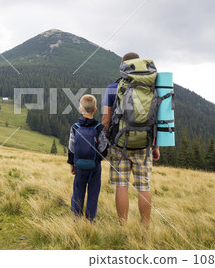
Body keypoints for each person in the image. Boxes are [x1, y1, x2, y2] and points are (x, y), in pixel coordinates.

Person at [102, 52, 160, 226]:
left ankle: (123, 227)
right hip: (145, 144)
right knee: (144, 186)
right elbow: (157, 119)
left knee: (122, 186)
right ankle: (145, 227)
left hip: (119, 144)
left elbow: (106, 119)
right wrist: (155, 146)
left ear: (123, 66)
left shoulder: (113, 87)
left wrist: (107, 142)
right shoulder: (152, 86)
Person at [67, 94, 108, 221]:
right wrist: (98, 160)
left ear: (80, 109)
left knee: (78, 191)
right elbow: (103, 148)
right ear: (95, 109)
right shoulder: (99, 128)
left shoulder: (75, 127)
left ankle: (76, 218)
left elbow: (71, 148)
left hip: (79, 166)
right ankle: (90, 219)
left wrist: (72, 164)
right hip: (95, 166)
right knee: (93, 194)